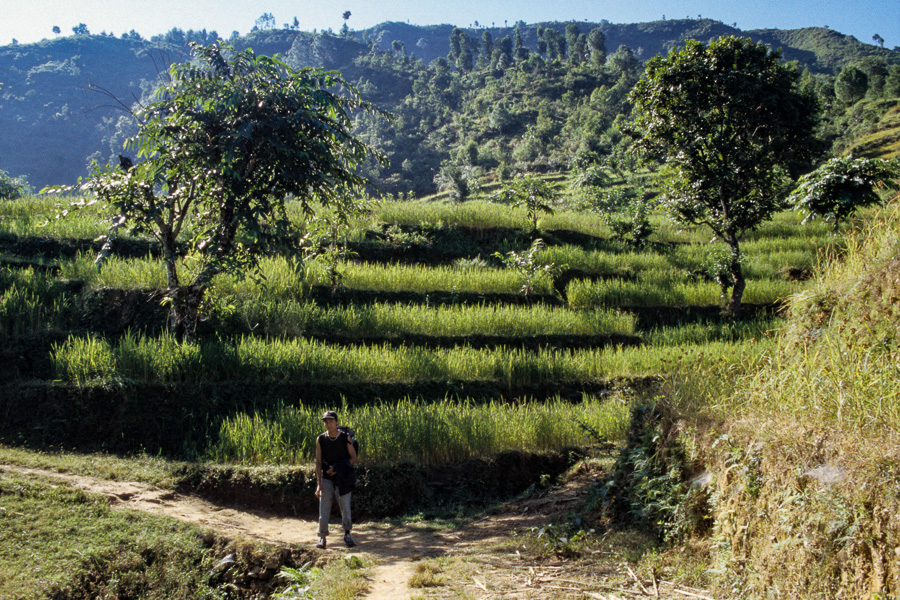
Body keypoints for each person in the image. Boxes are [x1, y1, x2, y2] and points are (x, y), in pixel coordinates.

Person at [315, 410, 357, 549]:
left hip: (343, 478)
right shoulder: (320, 439)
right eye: (326, 421)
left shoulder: (345, 438)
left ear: (337, 422)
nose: (328, 424)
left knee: (345, 507)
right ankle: (322, 537)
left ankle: (347, 533)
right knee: (324, 509)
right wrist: (318, 484)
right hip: (326, 479)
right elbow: (319, 463)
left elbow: (353, 458)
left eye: (331, 421)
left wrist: (337, 468)